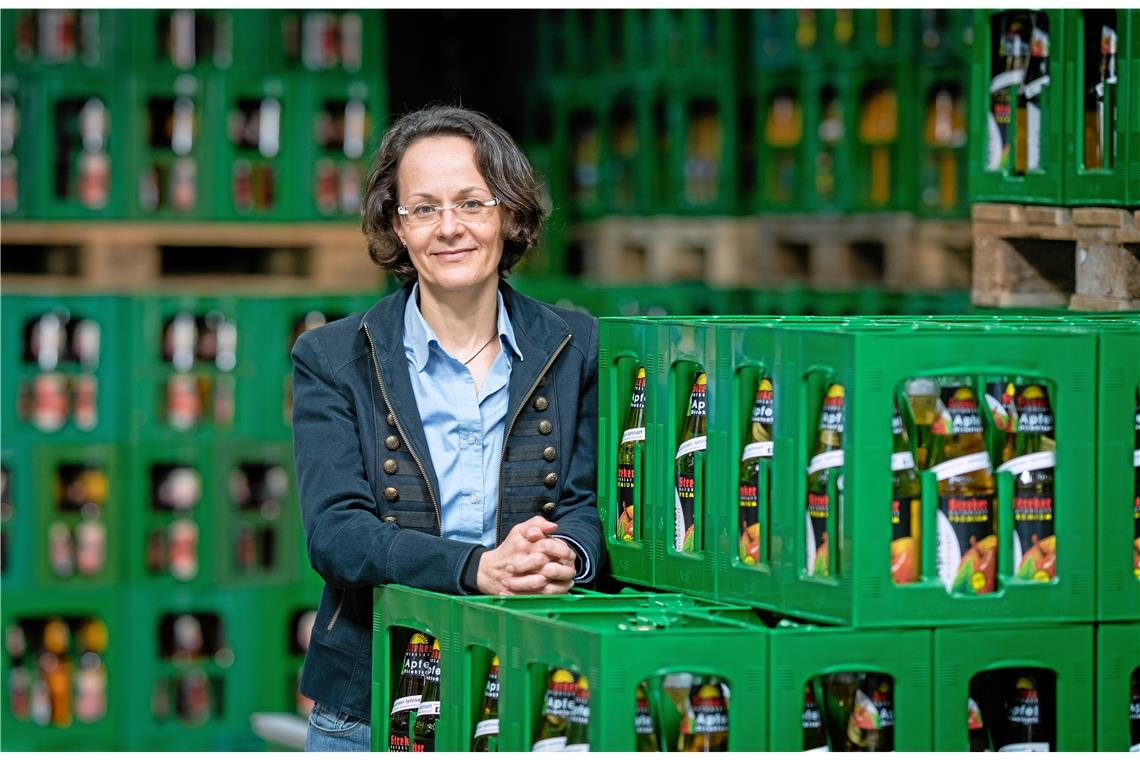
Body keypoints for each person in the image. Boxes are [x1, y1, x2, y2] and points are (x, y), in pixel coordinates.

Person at [291, 105, 602, 751]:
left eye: (471, 202)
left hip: (530, 693)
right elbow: (336, 535)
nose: (449, 228)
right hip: (372, 706)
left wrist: (566, 554)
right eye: (423, 209)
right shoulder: (333, 358)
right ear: (395, 227)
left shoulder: (578, 346)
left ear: (510, 213)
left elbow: (590, 503)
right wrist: (475, 568)